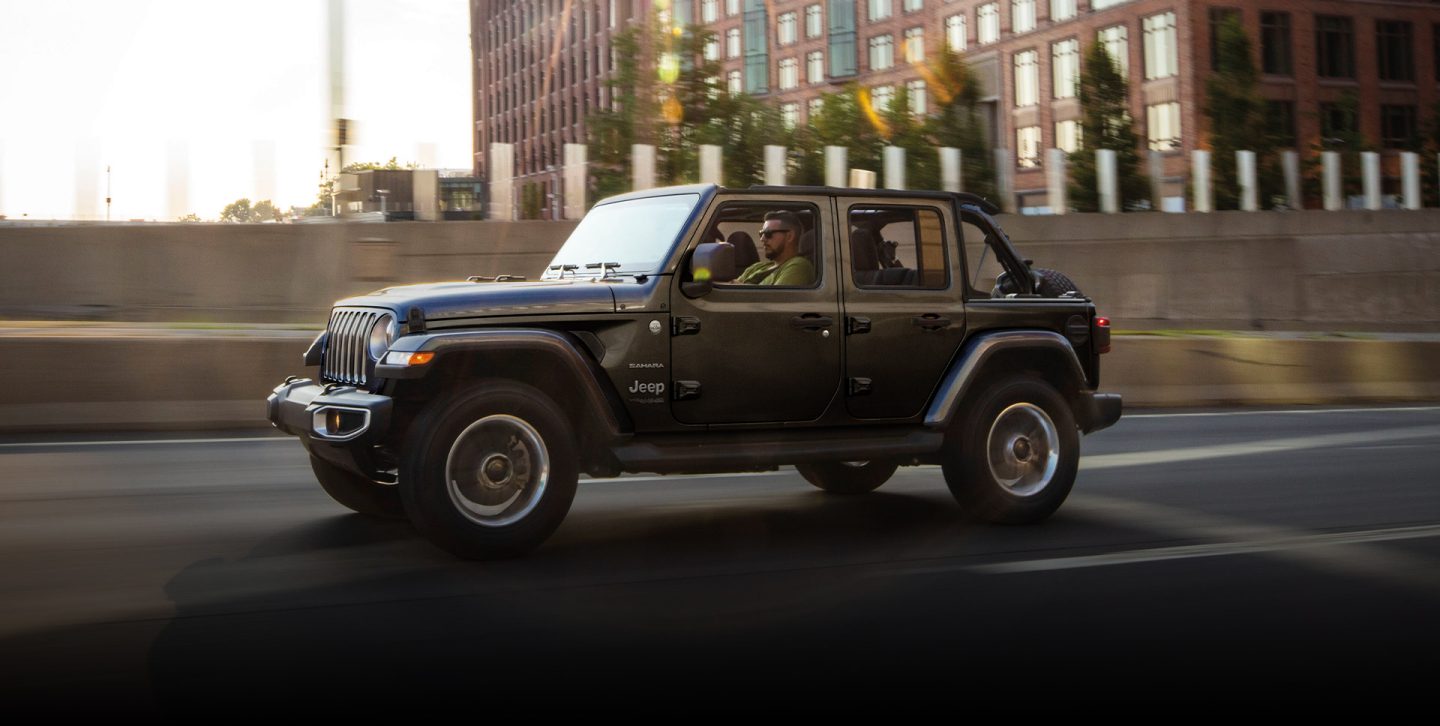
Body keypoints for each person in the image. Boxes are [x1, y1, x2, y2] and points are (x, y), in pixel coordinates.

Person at [733, 211, 816, 286]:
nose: (762, 239)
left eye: (768, 233)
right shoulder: (757, 267)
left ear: (790, 236)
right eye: (761, 233)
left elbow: (775, 299)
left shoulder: (799, 266)